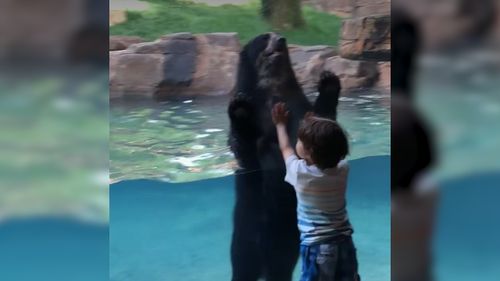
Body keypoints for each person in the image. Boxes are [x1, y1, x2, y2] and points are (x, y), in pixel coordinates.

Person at [271, 102, 360, 281]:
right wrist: (312, 125)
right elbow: (332, 149)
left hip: (317, 247)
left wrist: (280, 124)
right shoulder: (343, 169)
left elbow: (286, 149)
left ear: (309, 151)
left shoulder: (300, 174)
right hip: (345, 242)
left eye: (300, 141)